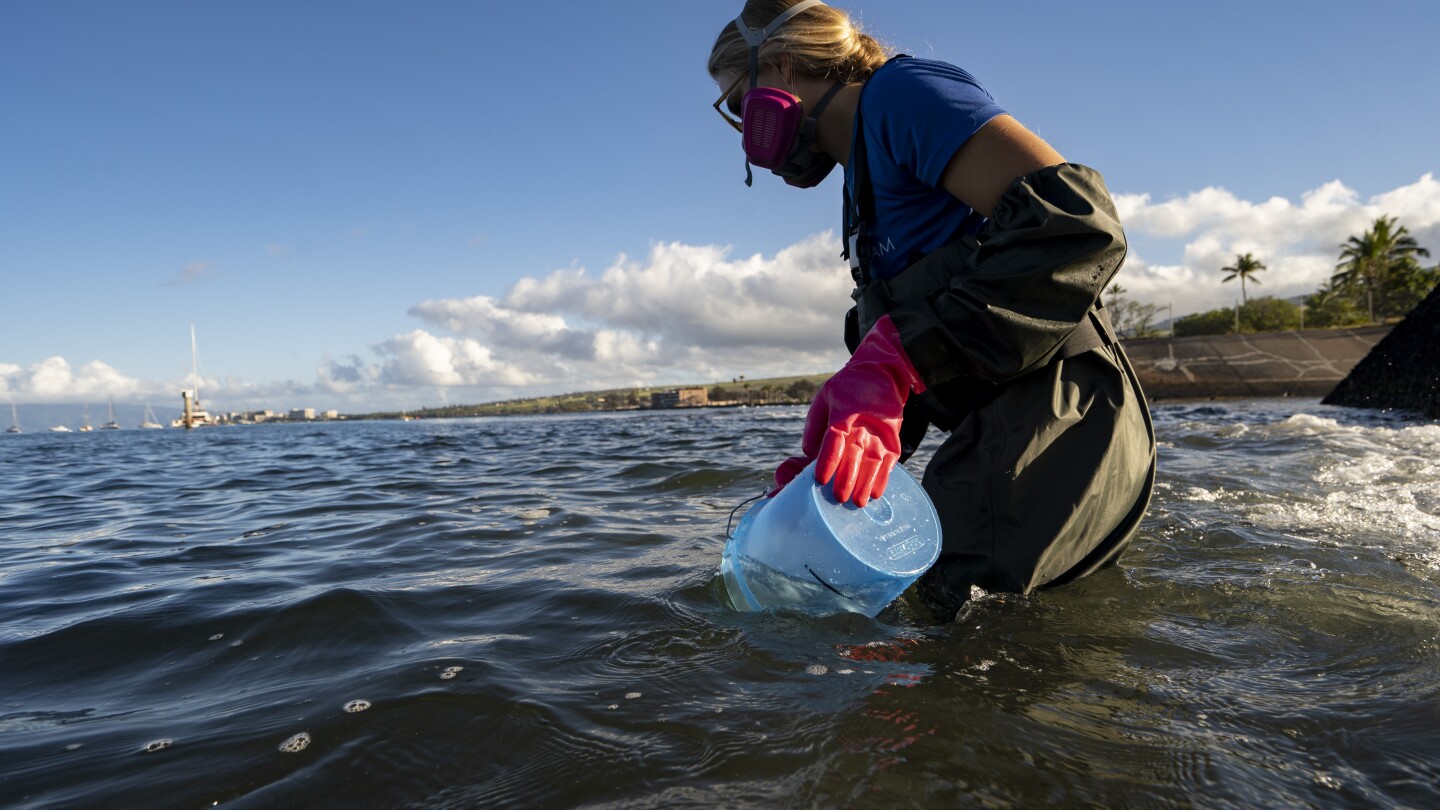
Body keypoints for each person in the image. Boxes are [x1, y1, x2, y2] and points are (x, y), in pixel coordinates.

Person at [707, 0, 1156, 616]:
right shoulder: (860, 185)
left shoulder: (901, 94)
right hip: (997, 429)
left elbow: (1076, 223)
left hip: (1061, 422)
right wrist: (837, 455)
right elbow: (935, 342)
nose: (742, 129)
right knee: (924, 621)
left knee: (956, 642)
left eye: (739, 102)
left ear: (781, 66)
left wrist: (895, 362)